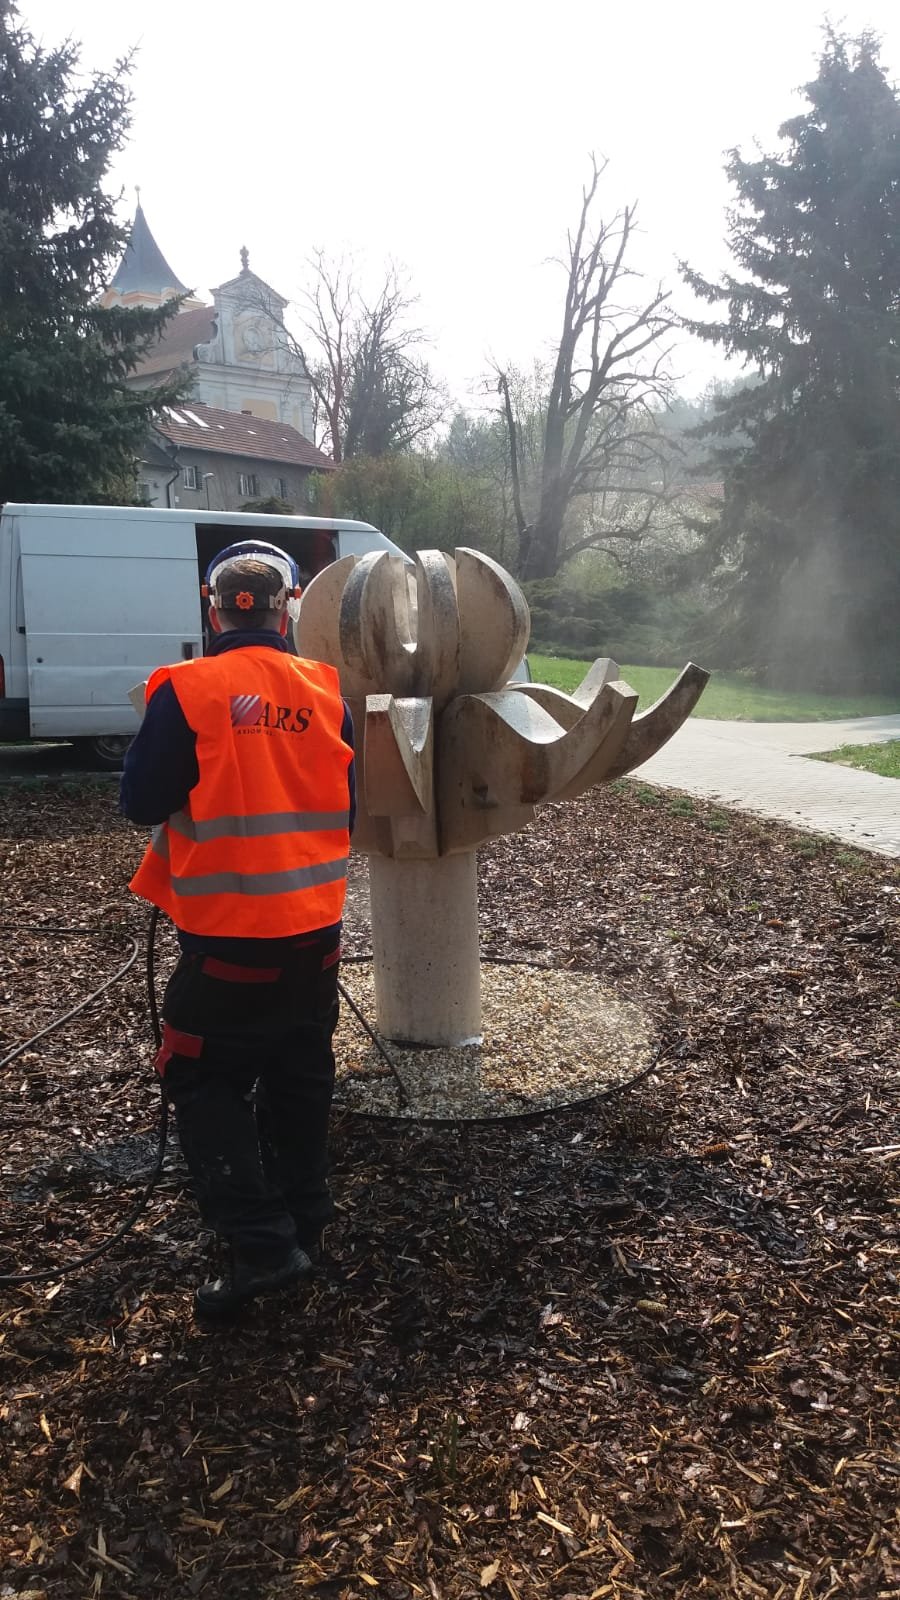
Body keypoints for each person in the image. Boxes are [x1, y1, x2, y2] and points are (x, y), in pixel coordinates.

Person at [121, 541, 354, 1323]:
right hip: (315, 938)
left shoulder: (187, 690)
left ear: (211, 608)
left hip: (228, 944)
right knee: (299, 1073)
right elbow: (346, 807)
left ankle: (262, 1246)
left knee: (201, 1077)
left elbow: (141, 802)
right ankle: (305, 1220)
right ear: (289, 610)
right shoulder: (326, 691)